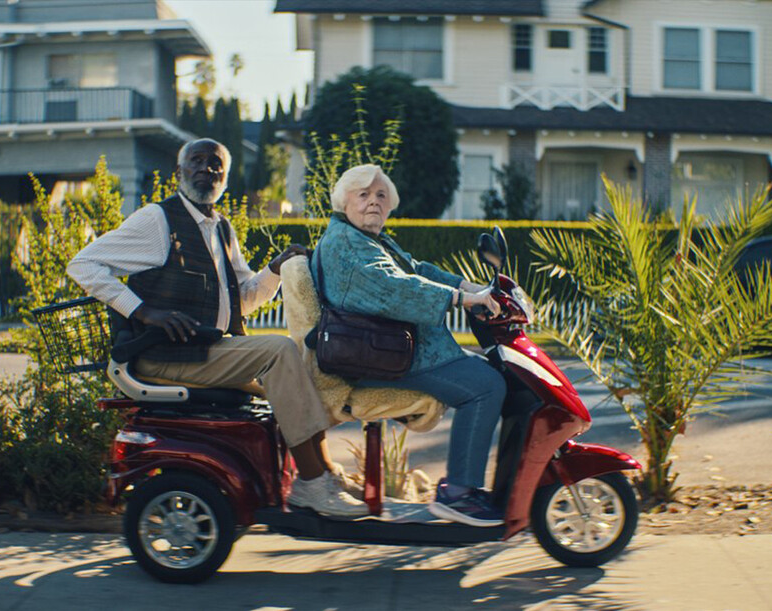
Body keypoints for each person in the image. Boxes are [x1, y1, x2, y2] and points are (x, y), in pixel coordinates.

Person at [67, 138, 366, 518]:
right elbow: (83, 264)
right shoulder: (156, 221)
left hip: (203, 350)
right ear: (179, 173)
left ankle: (323, 474)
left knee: (302, 368)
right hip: (165, 355)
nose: (207, 169)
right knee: (278, 352)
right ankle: (311, 484)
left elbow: (241, 299)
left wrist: (274, 269)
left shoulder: (221, 228)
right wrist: (142, 312)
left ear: (225, 178)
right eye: (197, 161)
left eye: (216, 164)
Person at [312, 164, 507, 527]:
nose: (373, 202)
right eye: (363, 194)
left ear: (389, 207)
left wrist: (470, 288)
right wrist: (460, 300)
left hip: (393, 350)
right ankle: (460, 494)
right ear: (344, 201)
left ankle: (470, 487)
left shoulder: (369, 239)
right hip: (376, 358)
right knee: (487, 385)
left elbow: (415, 269)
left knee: (494, 371)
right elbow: (392, 288)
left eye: (380, 195)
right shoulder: (345, 243)